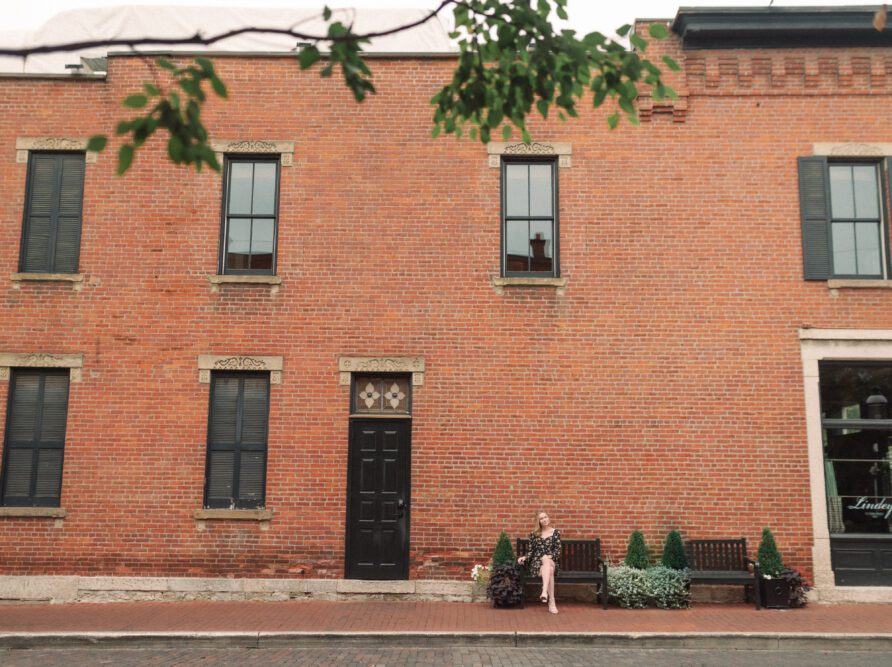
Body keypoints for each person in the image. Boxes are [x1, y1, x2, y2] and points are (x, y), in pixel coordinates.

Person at [517, 510, 561, 614]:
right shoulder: (534, 534)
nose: (544, 520)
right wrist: (524, 557)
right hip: (537, 564)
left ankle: (544, 591)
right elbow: (531, 551)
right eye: (541, 518)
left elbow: (557, 551)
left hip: (552, 561)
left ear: (548, 518)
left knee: (546, 560)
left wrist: (550, 556)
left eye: (545, 517)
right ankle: (551, 602)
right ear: (538, 521)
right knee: (549, 570)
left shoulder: (555, 532)